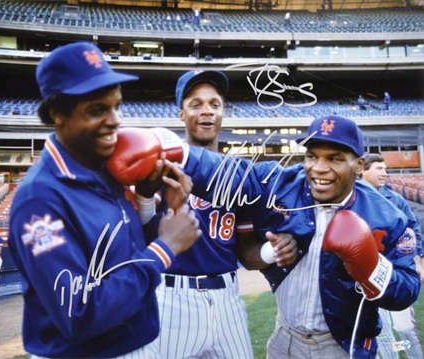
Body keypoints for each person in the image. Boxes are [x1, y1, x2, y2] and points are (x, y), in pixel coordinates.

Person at [105, 114, 422, 358]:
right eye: (312, 156)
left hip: (342, 345)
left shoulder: (388, 214)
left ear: (358, 165)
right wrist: (174, 151)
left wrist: (370, 268)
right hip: (286, 339)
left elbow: (407, 290)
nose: (319, 168)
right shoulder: (283, 184)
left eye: (334, 158)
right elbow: (232, 174)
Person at [7, 41, 201, 359]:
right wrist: (165, 249)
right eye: (97, 110)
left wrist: (148, 199)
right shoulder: (39, 201)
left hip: (134, 344)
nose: (114, 120)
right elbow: (79, 314)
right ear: (57, 113)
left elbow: (123, 255)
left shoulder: (105, 166)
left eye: (116, 106)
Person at [139, 69, 297, 359]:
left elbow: (246, 253)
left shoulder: (240, 176)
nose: (206, 111)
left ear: (224, 112)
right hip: (172, 297)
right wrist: (147, 195)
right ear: (180, 114)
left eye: (214, 104)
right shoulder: (163, 165)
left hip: (228, 298)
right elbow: (138, 235)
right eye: (195, 104)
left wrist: (271, 251)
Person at [361, 153, 423, 359]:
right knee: (384, 336)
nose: (384, 173)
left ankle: (411, 353)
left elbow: (413, 229)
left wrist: (419, 261)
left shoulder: (395, 199)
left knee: (404, 329)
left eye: (385, 169)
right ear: (363, 170)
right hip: (368, 277)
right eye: (379, 168)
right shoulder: (352, 198)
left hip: (396, 273)